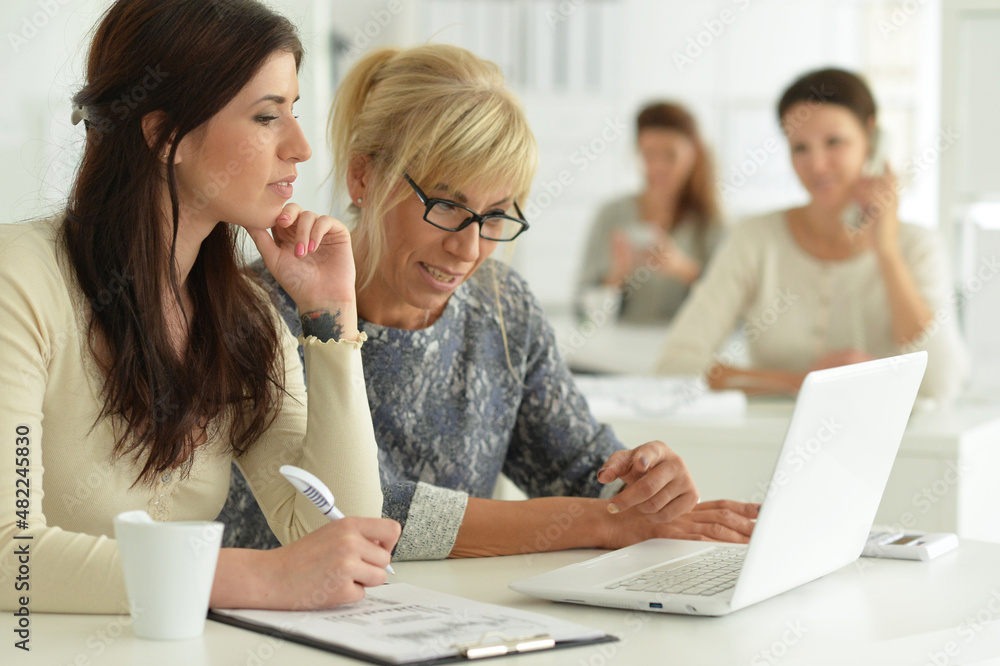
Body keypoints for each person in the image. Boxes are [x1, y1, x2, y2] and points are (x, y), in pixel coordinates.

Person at [220, 44, 758, 558]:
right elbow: (364, 512)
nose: (469, 248)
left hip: (450, 625)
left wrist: (644, 487)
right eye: (448, 206)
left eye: (496, 214)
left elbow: (577, 469)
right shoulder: (260, 309)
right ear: (363, 176)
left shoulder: (501, 306)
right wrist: (602, 523)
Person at [0, 0, 400, 614]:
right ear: (165, 137)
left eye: (295, 112)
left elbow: (340, 533)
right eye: (268, 117)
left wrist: (329, 314)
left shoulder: (247, 318)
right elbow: (10, 558)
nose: (300, 147)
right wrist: (261, 579)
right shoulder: (20, 280)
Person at [655, 68, 968, 400]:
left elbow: (941, 384)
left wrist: (887, 253)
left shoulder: (917, 246)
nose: (817, 164)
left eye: (835, 142)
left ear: (872, 139)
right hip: (774, 443)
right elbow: (674, 365)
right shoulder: (755, 239)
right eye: (800, 148)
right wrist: (802, 382)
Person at [575, 102, 724, 325]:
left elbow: (733, 312)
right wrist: (616, 276)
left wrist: (685, 270)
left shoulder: (713, 224)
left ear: (693, 154)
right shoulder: (611, 215)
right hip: (615, 353)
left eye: (670, 155)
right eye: (648, 155)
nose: (657, 166)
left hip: (682, 352)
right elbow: (582, 315)